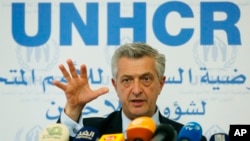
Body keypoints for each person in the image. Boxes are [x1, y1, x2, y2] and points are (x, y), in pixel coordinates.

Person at [53, 42, 207, 141]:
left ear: (161, 84)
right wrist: (73, 109)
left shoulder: (186, 137)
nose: (137, 90)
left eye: (146, 79)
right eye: (127, 80)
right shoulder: (90, 133)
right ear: (115, 85)